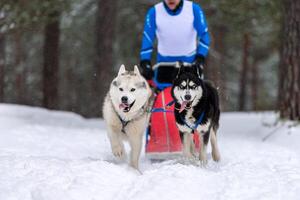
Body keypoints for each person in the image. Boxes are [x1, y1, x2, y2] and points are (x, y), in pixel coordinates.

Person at [139, 0, 210, 82]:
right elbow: (147, 38)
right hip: (164, 64)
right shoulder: (154, 12)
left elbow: (204, 35)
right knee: (163, 94)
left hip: (190, 63)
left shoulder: (194, 9)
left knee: (191, 93)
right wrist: (145, 62)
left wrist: (200, 57)